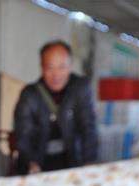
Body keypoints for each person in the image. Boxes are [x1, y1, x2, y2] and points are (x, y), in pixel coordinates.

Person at [13, 40, 98, 174]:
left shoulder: (81, 88)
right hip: (39, 164)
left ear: (70, 66)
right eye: (50, 68)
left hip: (72, 161)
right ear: (42, 67)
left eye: (62, 67)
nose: (56, 75)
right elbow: (24, 133)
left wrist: (90, 160)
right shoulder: (30, 95)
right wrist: (30, 162)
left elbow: (88, 127)